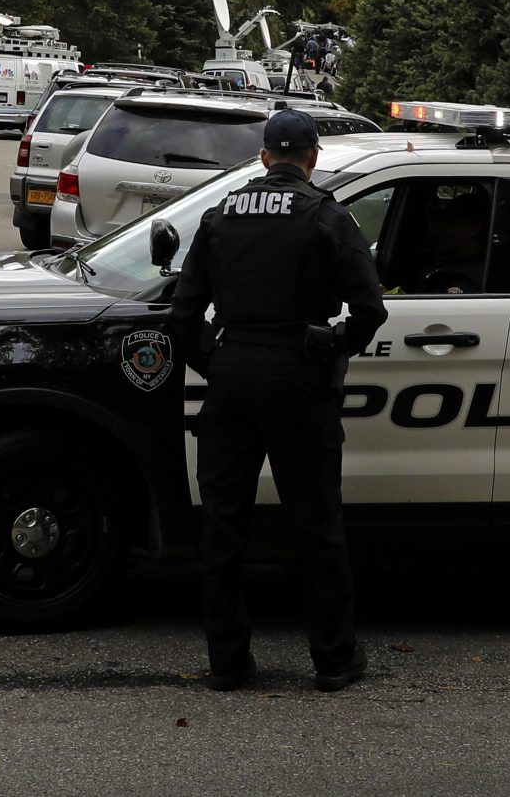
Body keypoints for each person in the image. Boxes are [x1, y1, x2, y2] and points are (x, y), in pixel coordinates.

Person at [165, 107, 386, 693]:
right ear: (312, 159)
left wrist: (215, 360)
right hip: (299, 377)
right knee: (316, 524)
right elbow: (369, 309)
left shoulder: (220, 214)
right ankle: (335, 661)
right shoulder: (327, 217)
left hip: (232, 374)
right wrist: (332, 345)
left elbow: (183, 314)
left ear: (264, 156)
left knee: (223, 526)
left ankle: (227, 663)